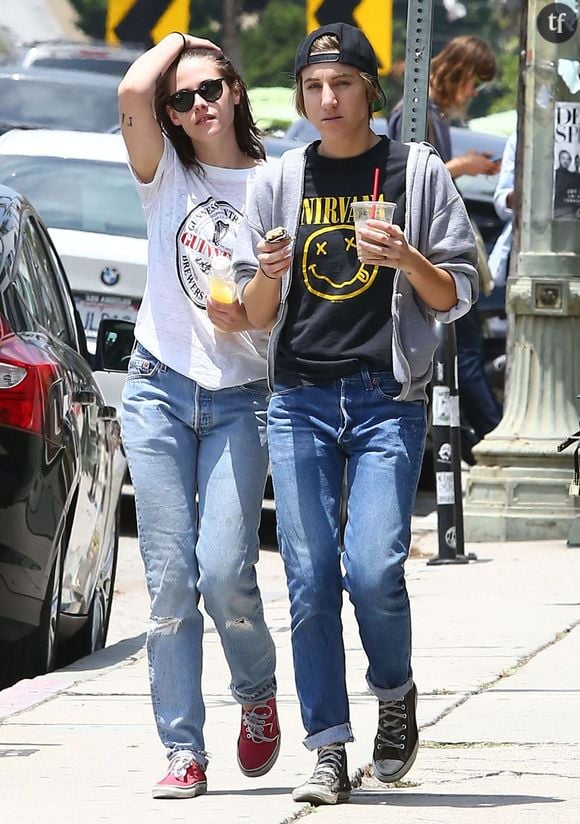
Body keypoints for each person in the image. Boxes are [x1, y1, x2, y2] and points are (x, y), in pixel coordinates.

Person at [233, 22, 478, 806]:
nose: (327, 99)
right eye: (313, 86)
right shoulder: (279, 179)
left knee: (372, 569)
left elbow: (457, 294)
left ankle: (395, 691)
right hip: (298, 397)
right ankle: (329, 749)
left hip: (384, 400)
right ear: (301, 95)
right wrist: (268, 273)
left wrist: (407, 256)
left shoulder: (417, 171)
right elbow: (253, 309)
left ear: (370, 89)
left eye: (341, 84)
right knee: (308, 580)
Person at [118, 31, 280, 800]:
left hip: (239, 396)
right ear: (172, 116)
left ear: (236, 91)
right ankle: (184, 750)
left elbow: (283, 309)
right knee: (171, 581)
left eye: (211, 88)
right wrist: (182, 41)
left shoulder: (277, 184)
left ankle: (255, 692)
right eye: (181, 99)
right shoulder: (166, 176)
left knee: (224, 573)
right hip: (155, 387)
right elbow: (128, 96)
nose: (198, 105)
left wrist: (248, 311)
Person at [389, 34, 502, 456]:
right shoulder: (413, 113)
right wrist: (462, 166)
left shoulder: (430, 112)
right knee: (465, 352)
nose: (473, 92)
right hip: (427, 258)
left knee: (463, 351)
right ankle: (491, 439)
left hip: (434, 254)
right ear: (458, 71)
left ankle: (484, 438)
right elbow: (413, 181)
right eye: (474, 81)